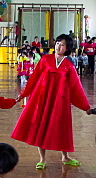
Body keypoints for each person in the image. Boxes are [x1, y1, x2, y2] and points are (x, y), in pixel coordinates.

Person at [11, 34, 91, 169]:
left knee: (62, 127)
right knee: (41, 125)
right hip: (42, 99)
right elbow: (34, 78)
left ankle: (65, 157)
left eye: (63, 44)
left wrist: (85, 106)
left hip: (60, 102)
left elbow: (76, 87)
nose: (59, 46)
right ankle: (42, 159)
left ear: (67, 48)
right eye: (58, 43)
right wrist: (24, 94)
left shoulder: (69, 65)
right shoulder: (45, 60)